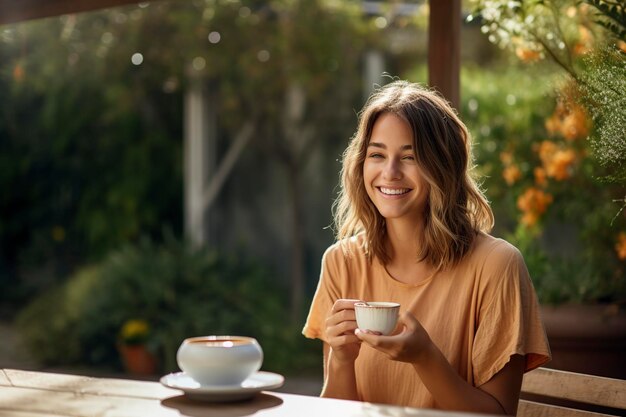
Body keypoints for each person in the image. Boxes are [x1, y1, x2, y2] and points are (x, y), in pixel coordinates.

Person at [302, 80, 551, 415]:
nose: (390, 172)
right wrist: (341, 361)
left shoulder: (496, 265)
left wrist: (425, 358)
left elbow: (499, 414)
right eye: (377, 155)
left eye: (411, 157)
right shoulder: (341, 262)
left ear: (442, 166)